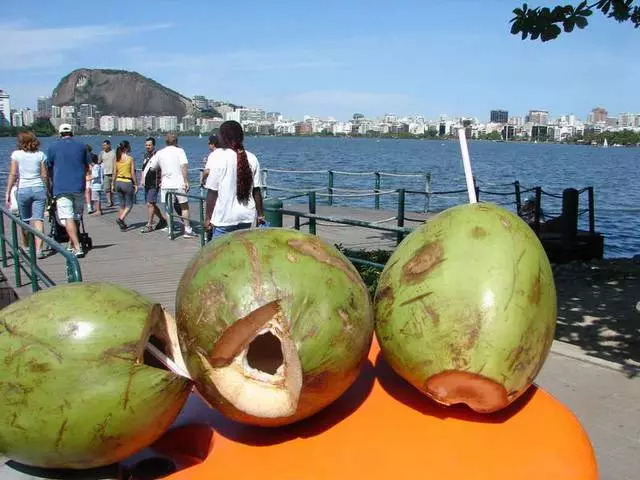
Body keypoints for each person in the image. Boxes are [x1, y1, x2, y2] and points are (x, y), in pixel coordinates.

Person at [203, 120, 265, 238]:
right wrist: (261, 215)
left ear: (222, 137)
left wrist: (208, 218)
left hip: (224, 218)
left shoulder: (217, 157)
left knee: (219, 255)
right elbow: (256, 191)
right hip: (246, 218)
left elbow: (212, 192)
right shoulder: (252, 158)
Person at [46, 123, 90, 257]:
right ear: (72, 132)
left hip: (61, 187)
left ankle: (77, 247)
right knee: (76, 216)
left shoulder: (52, 147)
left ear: (60, 133)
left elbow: (49, 167)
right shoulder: (82, 146)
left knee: (67, 217)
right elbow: (87, 166)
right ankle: (72, 243)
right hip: (78, 186)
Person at [141, 133, 196, 238]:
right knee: (184, 207)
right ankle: (187, 230)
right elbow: (184, 166)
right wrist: (186, 180)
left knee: (168, 208)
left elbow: (152, 167)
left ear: (165, 142)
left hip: (166, 184)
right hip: (179, 182)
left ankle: (171, 230)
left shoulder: (160, 153)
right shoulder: (180, 151)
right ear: (176, 141)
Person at [5, 131, 48, 258]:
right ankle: (39, 249)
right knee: (38, 219)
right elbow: (44, 175)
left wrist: (7, 192)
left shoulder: (16, 155)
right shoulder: (41, 155)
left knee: (25, 220)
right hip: (38, 188)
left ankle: (27, 246)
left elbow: (13, 174)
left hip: (23, 189)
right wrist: (48, 189)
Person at [139, 137, 167, 233]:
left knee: (150, 204)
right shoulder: (146, 155)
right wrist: (141, 180)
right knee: (151, 204)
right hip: (146, 183)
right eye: (146, 145)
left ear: (153, 145)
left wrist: (162, 180)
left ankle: (149, 224)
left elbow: (163, 168)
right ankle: (162, 220)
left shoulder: (157, 155)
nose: (148, 147)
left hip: (154, 182)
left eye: (149, 145)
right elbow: (143, 169)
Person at [112, 140, 137, 231]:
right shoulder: (130, 159)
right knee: (129, 205)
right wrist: (136, 184)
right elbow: (132, 173)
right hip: (127, 182)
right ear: (126, 148)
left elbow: (114, 172)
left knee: (122, 204)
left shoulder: (117, 158)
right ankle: (120, 219)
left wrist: (112, 184)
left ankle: (122, 224)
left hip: (118, 181)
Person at [99, 139, 116, 207]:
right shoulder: (101, 153)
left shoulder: (114, 152)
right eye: (103, 145)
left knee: (114, 189)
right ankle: (109, 202)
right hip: (106, 173)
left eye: (105, 145)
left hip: (114, 173)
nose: (103, 146)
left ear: (109, 145)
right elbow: (99, 162)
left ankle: (114, 201)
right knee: (107, 189)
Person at [85, 145, 98, 213]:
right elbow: (97, 165)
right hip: (91, 175)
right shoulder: (94, 155)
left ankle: (89, 206)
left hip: (87, 175)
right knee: (91, 191)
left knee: (88, 191)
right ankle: (91, 206)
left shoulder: (83, 157)